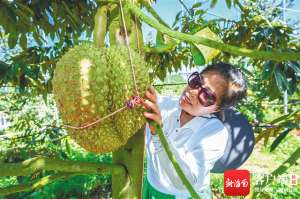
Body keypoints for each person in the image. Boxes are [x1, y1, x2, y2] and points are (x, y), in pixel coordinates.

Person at [142, 62, 247, 199]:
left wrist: (158, 133)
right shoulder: (165, 105)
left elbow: (183, 182)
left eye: (206, 96)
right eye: (196, 81)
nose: (192, 92)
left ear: (216, 109)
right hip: (152, 188)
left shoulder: (215, 134)